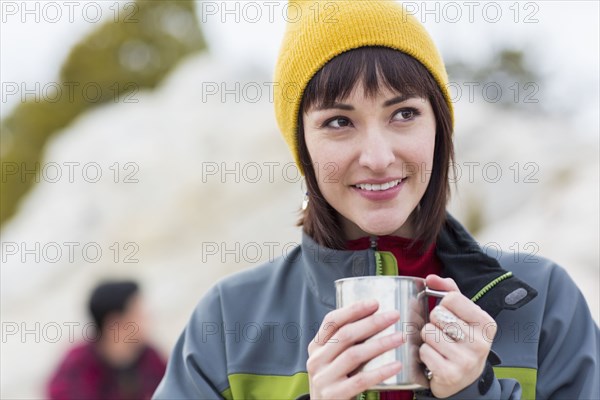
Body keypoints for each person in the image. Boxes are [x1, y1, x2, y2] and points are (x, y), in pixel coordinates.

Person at [153, 1, 600, 399]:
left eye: (403, 114)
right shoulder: (228, 322)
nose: (378, 157)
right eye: (338, 122)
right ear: (301, 146)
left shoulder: (545, 303)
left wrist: (475, 392)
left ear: (439, 126)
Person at [47, 280, 166, 400]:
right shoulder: (77, 366)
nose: (148, 318)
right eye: (138, 314)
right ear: (114, 324)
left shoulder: (151, 358)